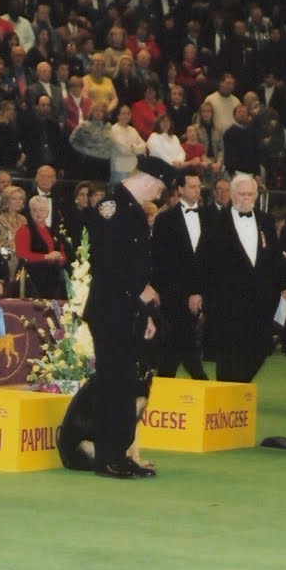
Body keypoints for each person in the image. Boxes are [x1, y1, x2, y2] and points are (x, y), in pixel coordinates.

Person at [83, 155, 175, 480]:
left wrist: (145, 305)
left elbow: (135, 266)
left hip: (125, 308)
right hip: (110, 309)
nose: (158, 195)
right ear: (150, 180)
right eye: (159, 189)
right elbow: (110, 263)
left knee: (123, 384)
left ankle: (120, 452)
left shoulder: (132, 209)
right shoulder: (113, 207)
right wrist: (142, 291)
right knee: (113, 383)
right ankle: (108, 456)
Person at [203, 173, 285, 383]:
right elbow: (205, 263)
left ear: (256, 196)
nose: (246, 198)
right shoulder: (215, 222)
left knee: (258, 353)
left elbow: (275, 259)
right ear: (231, 195)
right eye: (241, 194)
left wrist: (284, 286)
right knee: (228, 360)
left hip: (260, 303)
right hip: (227, 304)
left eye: (250, 194)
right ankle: (227, 402)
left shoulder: (266, 221)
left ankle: (239, 388)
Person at [153, 172, 208, 380]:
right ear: (181, 190)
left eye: (199, 186)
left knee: (177, 345)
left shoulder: (210, 216)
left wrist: (200, 292)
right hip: (173, 294)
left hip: (201, 291)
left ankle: (168, 382)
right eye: (192, 186)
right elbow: (160, 260)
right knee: (178, 341)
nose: (197, 190)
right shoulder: (165, 220)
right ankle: (198, 379)